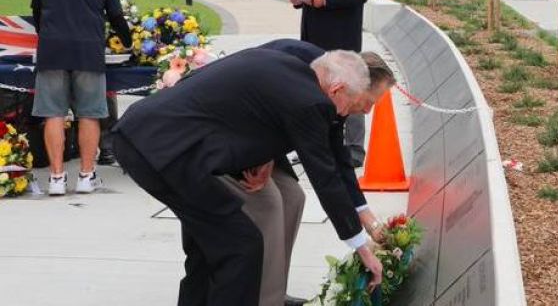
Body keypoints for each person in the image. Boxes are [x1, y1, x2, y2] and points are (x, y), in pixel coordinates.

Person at [111, 48, 383, 306]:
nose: (345, 115)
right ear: (337, 90)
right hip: (165, 152)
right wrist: (361, 246)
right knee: (240, 246)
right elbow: (325, 178)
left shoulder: (290, 65)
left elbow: (254, 109)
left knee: (210, 247)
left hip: (153, 139)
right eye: (353, 106)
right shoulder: (311, 102)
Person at [223, 39, 396, 306]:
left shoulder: (337, 87)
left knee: (293, 197)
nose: (368, 111)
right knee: (269, 205)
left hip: (265, 132)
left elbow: (339, 159)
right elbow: (323, 173)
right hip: (233, 130)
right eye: (370, 101)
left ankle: (274, 290)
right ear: (355, 85)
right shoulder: (317, 87)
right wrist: (361, 247)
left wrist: (367, 217)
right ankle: (261, 298)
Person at [31, 0, 132, 196]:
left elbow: (37, 13)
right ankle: (86, 176)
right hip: (89, 51)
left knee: (52, 113)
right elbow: (115, 14)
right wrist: (129, 42)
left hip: (52, 52)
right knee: (89, 113)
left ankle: (56, 178)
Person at [289, 0, 373, 167]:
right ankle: (317, 144)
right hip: (313, 35)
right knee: (316, 91)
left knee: (349, 88)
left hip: (341, 36)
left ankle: (355, 148)